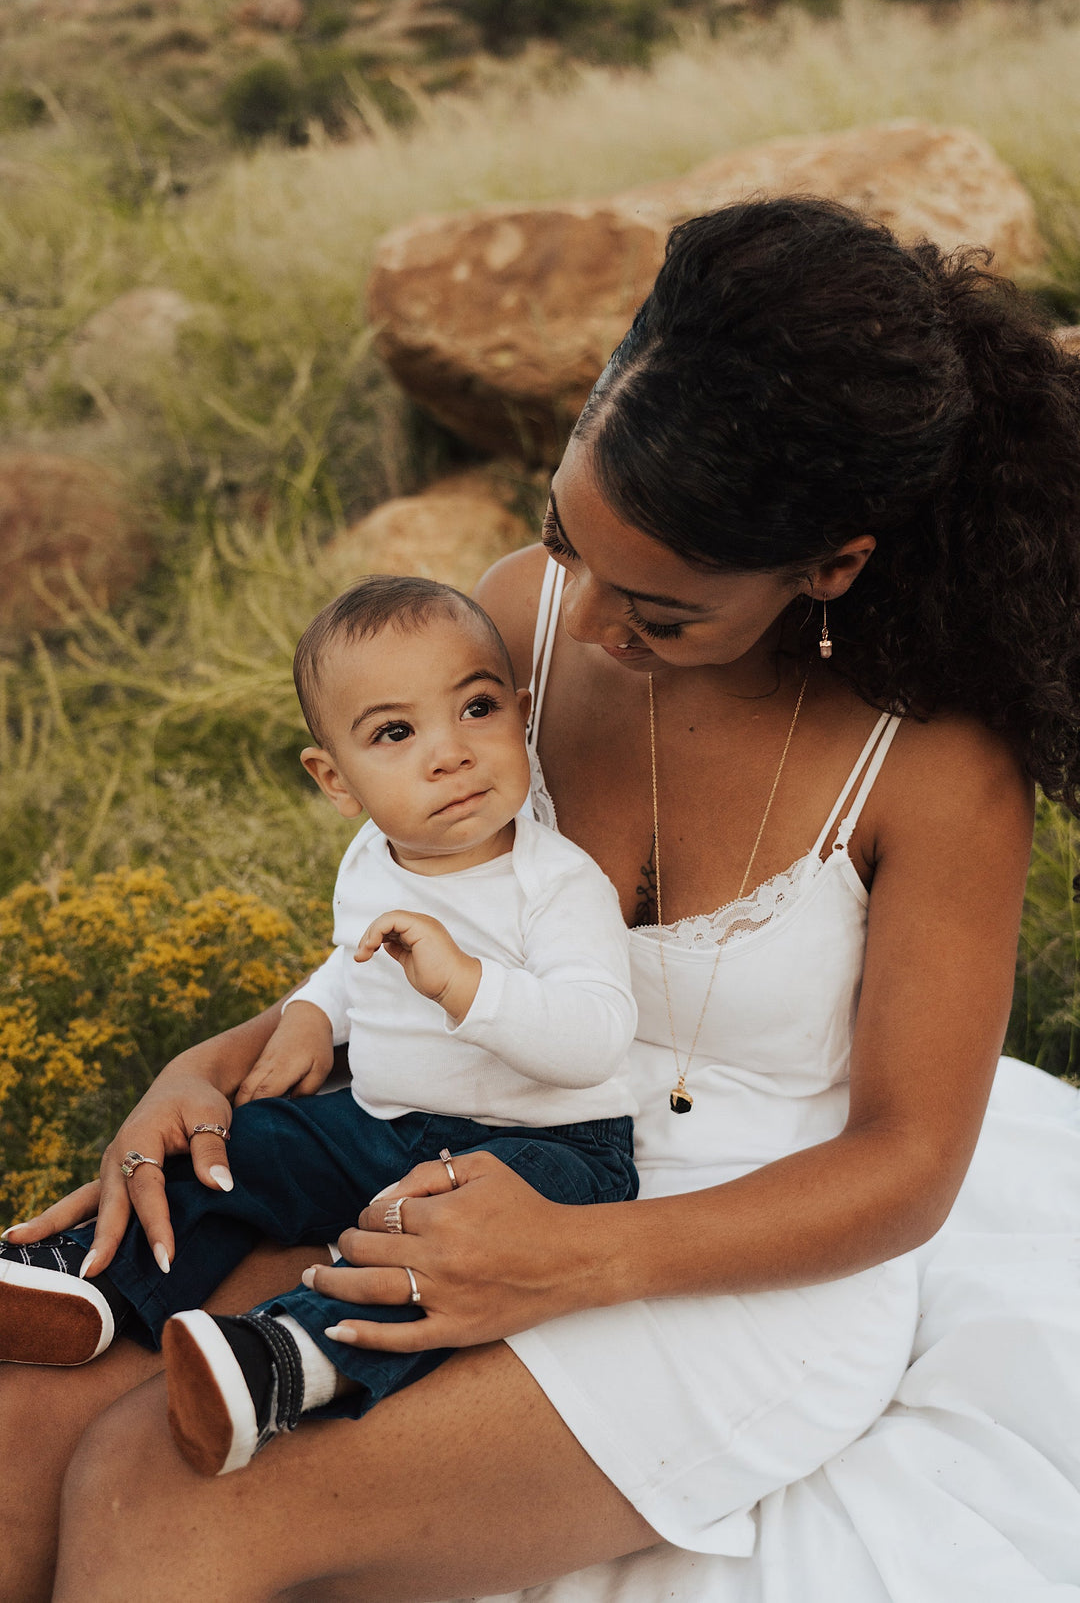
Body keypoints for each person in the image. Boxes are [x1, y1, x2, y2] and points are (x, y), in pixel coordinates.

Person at [1, 195, 1079, 1603]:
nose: (598, 624)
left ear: (830, 567)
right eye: (569, 540)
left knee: (170, 1497)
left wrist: (568, 1261)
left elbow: (905, 1171)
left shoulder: (936, 768)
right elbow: (435, 909)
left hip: (734, 1253)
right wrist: (214, 1062)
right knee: (19, 1436)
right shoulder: (523, 617)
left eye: (667, 610)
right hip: (464, 1128)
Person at [0, 576, 637, 1479]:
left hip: (547, 1148)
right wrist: (312, 1012)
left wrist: (464, 984)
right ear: (335, 780)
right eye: (395, 733)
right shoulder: (373, 858)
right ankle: (96, 1285)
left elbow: (595, 1039)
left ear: (521, 720)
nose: (449, 754)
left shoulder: (555, 885)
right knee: (247, 1144)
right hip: (383, 1122)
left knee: (426, 1246)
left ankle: (287, 1363)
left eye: (477, 709)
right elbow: (355, 956)